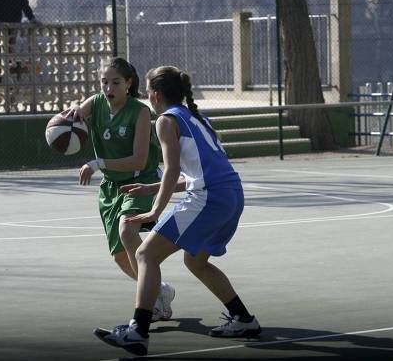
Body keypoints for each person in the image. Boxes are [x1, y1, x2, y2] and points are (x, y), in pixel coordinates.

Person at [93, 66, 260, 356]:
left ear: (156, 94)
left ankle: (138, 331)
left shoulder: (166, 121)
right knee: (196, 262)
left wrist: (154, 211)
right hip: (232, 194)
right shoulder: (197, 117)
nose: (146, 97)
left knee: (145, 254)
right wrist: (150, 189)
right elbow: (199, 173)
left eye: (147, 92)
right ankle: (244, 318)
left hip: (210, 198)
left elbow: (172, 170)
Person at [72, 57, 174, 322]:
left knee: (128, 230)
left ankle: (149, 305)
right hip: (110, 189)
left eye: (116, 82)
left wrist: (97, 163)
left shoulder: (140, 112)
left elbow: (139, 159)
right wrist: (66, 120)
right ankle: (160, 291)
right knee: (120, 258)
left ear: (128, 84)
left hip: (141, 182)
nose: (109, 87)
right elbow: (74, 115)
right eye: (104, 82)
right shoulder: (95, 104)